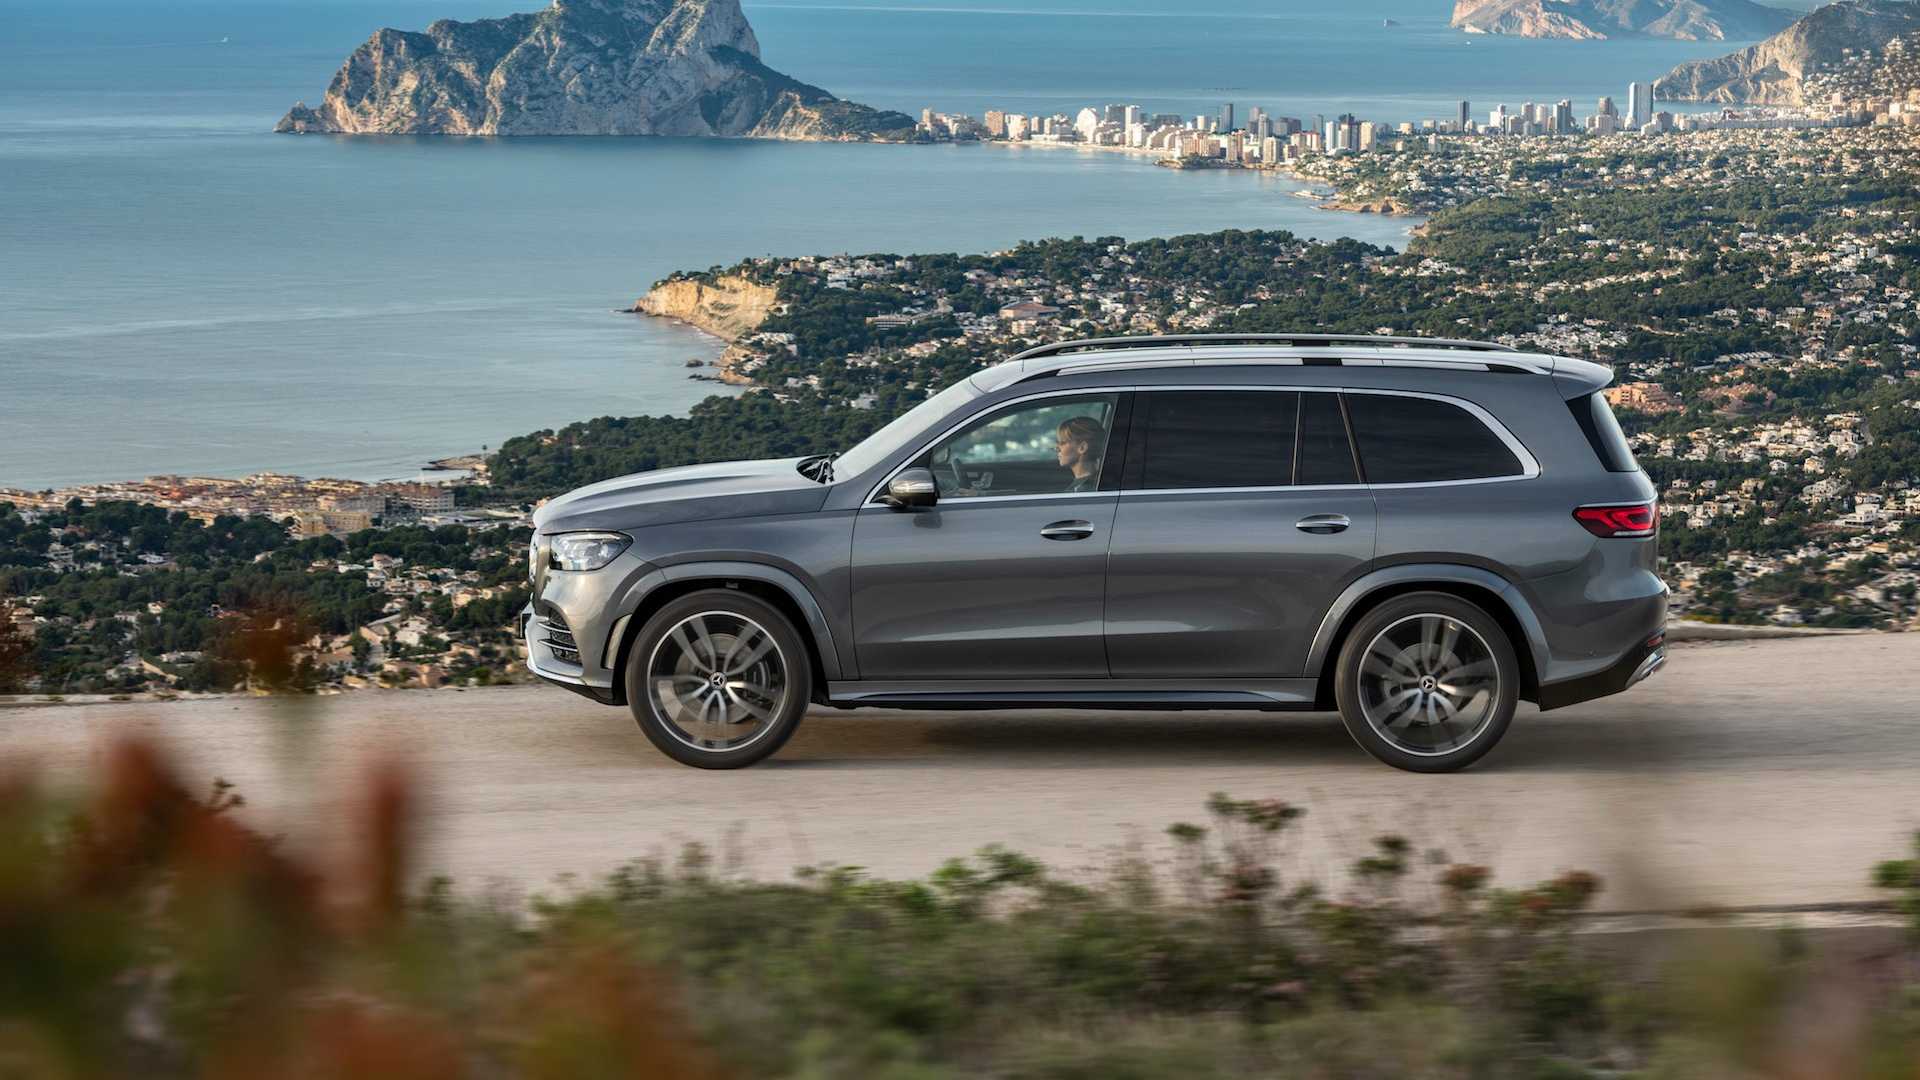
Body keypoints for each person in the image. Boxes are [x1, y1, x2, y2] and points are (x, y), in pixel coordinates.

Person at [1055, 416, 1106, 493]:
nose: (1056, 448)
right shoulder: (1092, 484)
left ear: (1082, 448)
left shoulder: (1084, 490)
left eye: (1062, 443)